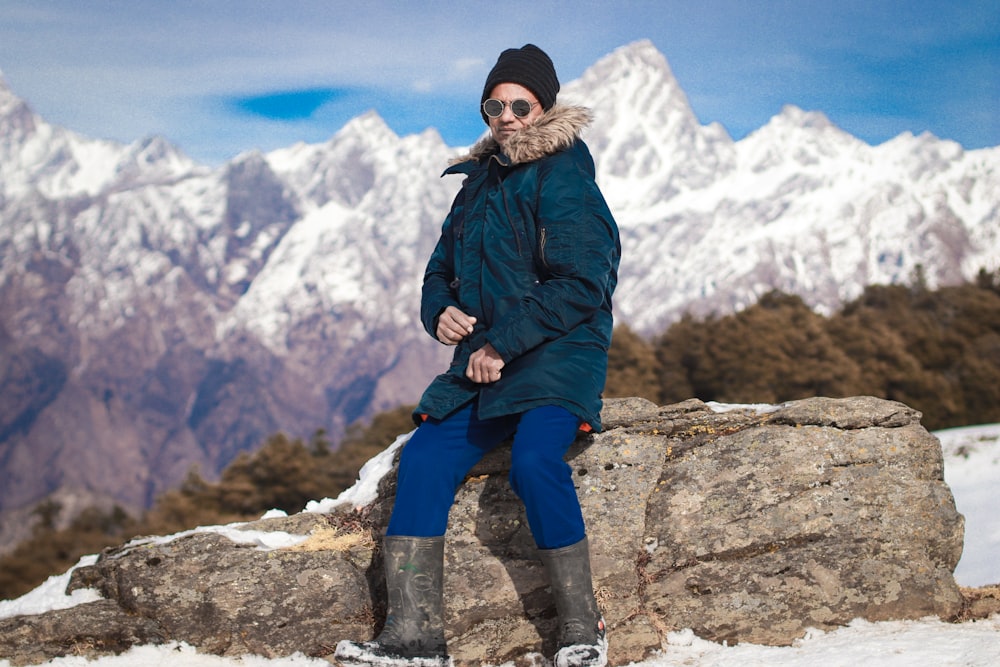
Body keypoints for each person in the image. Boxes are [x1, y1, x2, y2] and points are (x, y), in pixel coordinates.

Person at [335, 44, 620, 667]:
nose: (507, 115)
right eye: (496, 104)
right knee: (428, 456)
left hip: (557, 353)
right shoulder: (478, 183)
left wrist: (498, 344)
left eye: (522, 104)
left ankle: (580, 629)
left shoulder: (564, 172)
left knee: (535, 459)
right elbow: (439, 270)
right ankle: (414, 636)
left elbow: (583, 284)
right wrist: (438, 310)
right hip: (486, 361)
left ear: (545, 107)